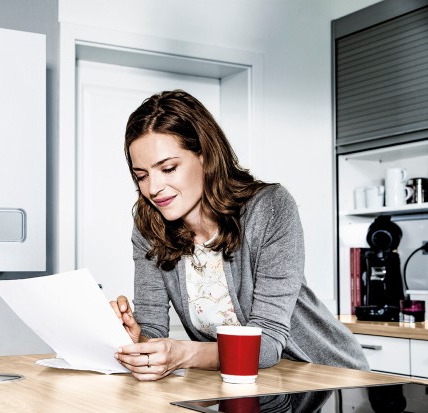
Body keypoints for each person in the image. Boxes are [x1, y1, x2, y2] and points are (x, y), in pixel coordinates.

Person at [111, 89, 369, 381]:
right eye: (142, 175)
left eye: (168, 168)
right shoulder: (150, 227)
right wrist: (136, 338)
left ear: (206, 157)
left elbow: (268, 343)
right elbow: (153, 331)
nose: (153, 188)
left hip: (323, 378)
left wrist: (183, 353)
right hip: (246, 382)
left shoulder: (269, 208)